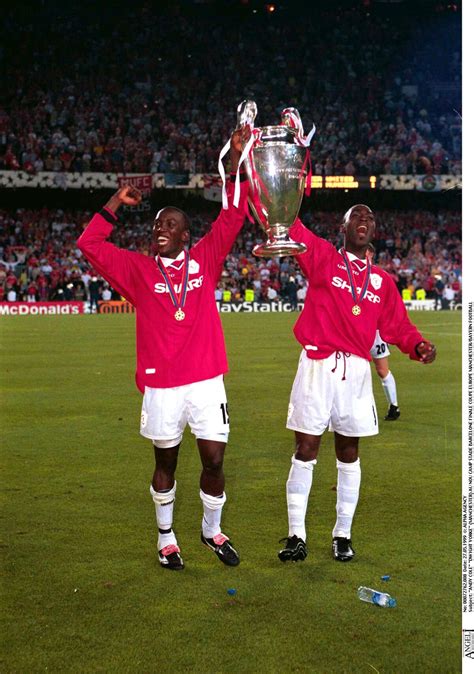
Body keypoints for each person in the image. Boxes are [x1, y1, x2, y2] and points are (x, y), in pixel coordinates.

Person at [77, 129, 247, 571]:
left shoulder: (205, 260)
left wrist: (235, 167)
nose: (159, 231)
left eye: (169, 225)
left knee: (214, 458)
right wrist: (115, 203)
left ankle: (211, 530)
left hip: (207, 380)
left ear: (186, 235)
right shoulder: (136, 270)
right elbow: (89, 245)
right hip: (162, 385)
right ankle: (166, 537)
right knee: (165, 461)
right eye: (156, 226)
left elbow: (231, 217)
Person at [278, 204, 436, 564]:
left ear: (374, 231)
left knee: (348, 453)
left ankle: (342, 534)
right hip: (317, 366)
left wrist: (418, 345)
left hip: (356, 372)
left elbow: (399, 327)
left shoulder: (381, 281)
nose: (363, 222)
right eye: (356, 217)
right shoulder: (322, 258)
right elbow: (291, 225)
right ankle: (296, 535)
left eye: (369, 219)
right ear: (343, 226)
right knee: (305, 449)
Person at [366, 244, 400, 421]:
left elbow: (390, 304)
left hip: (376, 331)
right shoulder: (349, 273)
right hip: (354, 330)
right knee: (353, 370)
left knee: (382, 370)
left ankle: (394, 406)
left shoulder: (380, 277)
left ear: (370, 253)